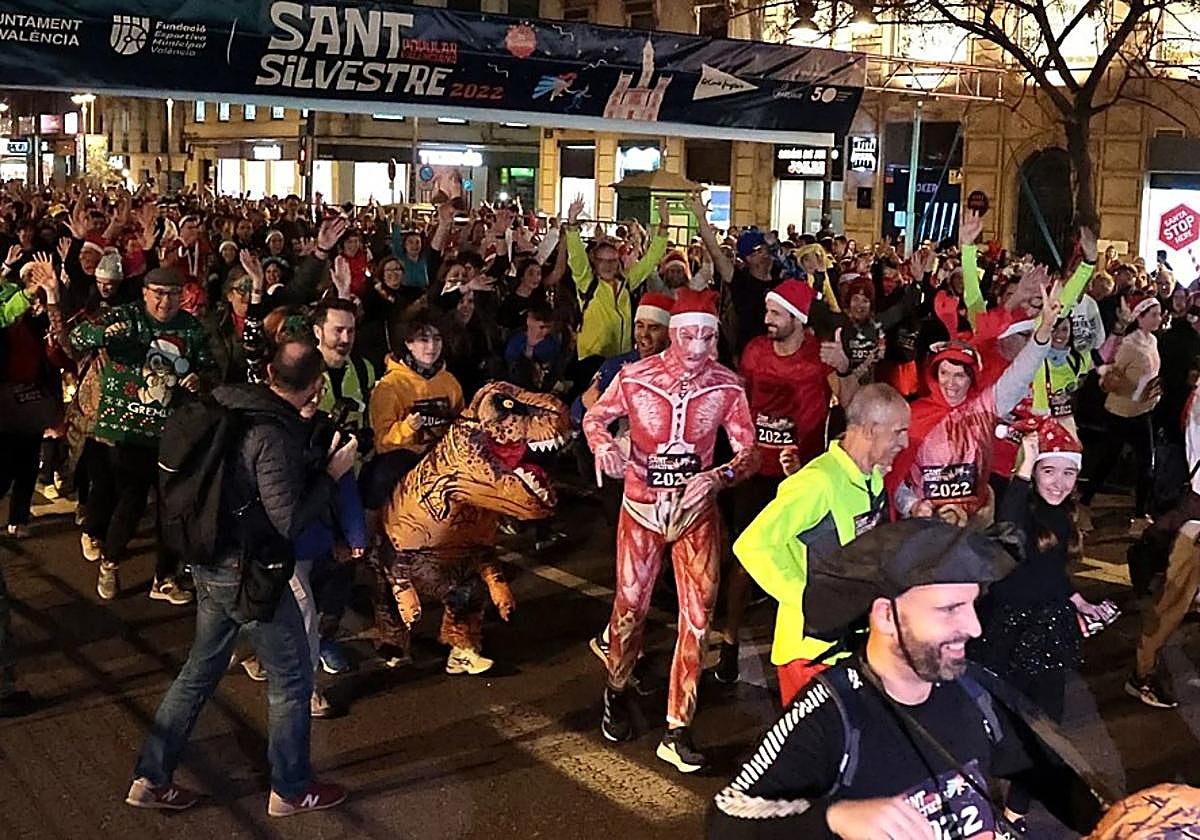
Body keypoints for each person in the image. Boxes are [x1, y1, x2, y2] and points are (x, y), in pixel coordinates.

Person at [708, 520, 1107, 839]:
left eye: (972, 605)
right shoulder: (832, 713)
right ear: (885, 616)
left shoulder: (974, 688)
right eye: (950, 609)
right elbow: (726, 819)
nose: (974, 627)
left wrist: (1119, 820)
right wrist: (833, 818)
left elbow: (1044, 770)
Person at [125, 340, 356, 817]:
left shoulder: (229, 401)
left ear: (269, 371)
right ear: (315, 386)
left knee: (199, 670)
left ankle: (150, 777)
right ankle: (291, 789)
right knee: (291, 679)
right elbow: (287, 520)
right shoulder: (270, 433)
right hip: (248, 572)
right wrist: (332, 475)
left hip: (208, 560)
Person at [583, 289, 759, 773]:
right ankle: (615, 692)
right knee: (630, 610)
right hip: (641, 509)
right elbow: (595, 416)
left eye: (707, 336)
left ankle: (678, 728)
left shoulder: (726, 385)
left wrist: (717, 476)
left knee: (698, 620)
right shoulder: (635, 378)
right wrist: (604, 447)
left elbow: (749, 452)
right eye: (688, 335)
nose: (698, 347)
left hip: (694, 515)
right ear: (673, 334)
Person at [971, 418, 1110, 830]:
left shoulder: (1065, 515)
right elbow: (1008, 533)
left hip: (1046, 632)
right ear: (1034, 472)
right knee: (986, 724)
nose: (1059, 482)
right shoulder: (1020, 505)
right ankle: (973, 801)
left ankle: (1015, 812)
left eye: (1069, 472)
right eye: (1050, 470)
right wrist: (1023, 467)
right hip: (1002, 633)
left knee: (1044, 732)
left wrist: (1077, 599)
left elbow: (1049, 573)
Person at [733, 384, 910, 704]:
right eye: (899, 432)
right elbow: (752, 545)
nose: (905, 442)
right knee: (815, 752)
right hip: (810, 655)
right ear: (871, 430)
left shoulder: (871, 478)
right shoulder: (817, 482)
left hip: (852, 645)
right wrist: (807, 599)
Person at [714, 279, 852, 682]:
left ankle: (793, 653)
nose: (767, 319)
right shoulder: (756, 351)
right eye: (767, 312)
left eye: (776, 313)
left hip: (802, 477)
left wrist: (845, 367)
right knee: (744, 559)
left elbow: (853, 403)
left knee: (797, 566)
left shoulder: (819, 356)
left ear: (798, 318)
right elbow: (739, 396)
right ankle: (729, 639)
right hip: (757, 470)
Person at [68, 266, 214, 603]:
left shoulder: (190, 328)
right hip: (127, 429)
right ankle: (110, 561)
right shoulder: (126, 316)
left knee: (171, 509)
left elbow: (208, 366)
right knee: (131, 501)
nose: (166, 302)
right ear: (145, 293)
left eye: (174, 294)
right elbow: (77, 339)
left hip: (172, 432)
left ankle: (164, 578)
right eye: (159, 293)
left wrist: (199, 380)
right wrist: (104, 335)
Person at [889, 281, 1064, 527]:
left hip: (974, 525)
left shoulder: (983, 407)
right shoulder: (913, 415)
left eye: (959, 375)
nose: (951, 383)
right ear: (934, 375)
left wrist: (1044, 329)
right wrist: (913, 505)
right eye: (945, 373)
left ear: (971, 377)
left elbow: (1021, 372)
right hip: (924, 526)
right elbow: (892, 473)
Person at [1080, 293, 1162, 534]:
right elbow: (1109, 376)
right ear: (1140, 318)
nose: (1159, 318)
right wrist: (1132, 388)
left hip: (1143, 411)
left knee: (1147, 462)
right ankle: (1084, 503)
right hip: (1121, 412)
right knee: (1108, 460)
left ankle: (1139, 516)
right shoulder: (1128, 345)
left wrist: (1153, 389)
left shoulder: (1152, 341)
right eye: (1153, 314)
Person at [564, 194, 669, 361]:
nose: (607, 265)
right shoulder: (587, 283)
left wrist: (664, 225)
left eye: (612, 260)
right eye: (602, 260)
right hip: (592, 362)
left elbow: (650, 260)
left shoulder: (625, 283)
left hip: (621, 360)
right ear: (594, 262)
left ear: (618, 261)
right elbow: (576, 256)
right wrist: (571, 224)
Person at [312, 299, 375, 429]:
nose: (346, 339)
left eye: (351, 331)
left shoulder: (364, 369)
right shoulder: (302, 370)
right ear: (318, 332)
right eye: (338, 330)